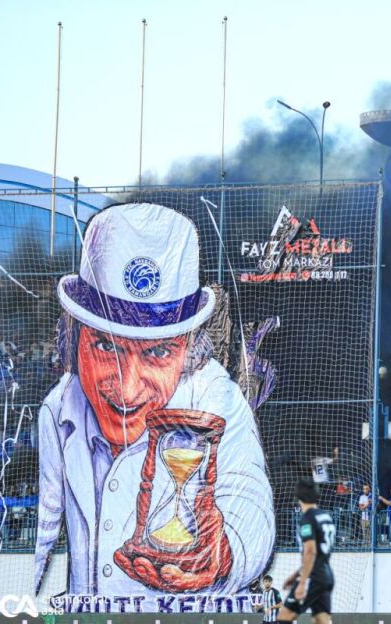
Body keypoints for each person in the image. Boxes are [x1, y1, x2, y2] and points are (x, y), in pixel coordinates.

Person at [34, 203, 274, 597]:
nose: (128, 390)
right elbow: (45, 526)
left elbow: (250, 502)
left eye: (158, 353)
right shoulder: (59, 407)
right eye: (105, 347)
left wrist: (223, 553)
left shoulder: (216, 397)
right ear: (75, 339)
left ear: (188, 351)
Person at [278, 477, 336, 624]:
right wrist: (296, 574)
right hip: (326, 575)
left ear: (298, 495)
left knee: (284, 616)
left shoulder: (307, 518)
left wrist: (302, 582)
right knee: (321, 620)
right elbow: (319, 555)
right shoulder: (325, 516)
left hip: (313, 577)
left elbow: (310, 551)